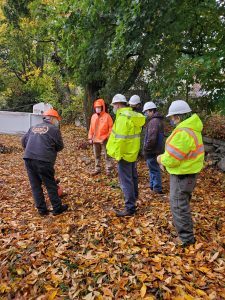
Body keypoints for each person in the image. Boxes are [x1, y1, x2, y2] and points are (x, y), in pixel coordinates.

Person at [157, 100, 204, 247]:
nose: (171, 120)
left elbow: (172, 158)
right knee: (183, 203)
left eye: (172, 117)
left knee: (178, 205)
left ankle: (186, 239)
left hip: (182, 175)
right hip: (189, 173)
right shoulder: (193, 129)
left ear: (178, 116)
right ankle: (186, 234)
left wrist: (160, 159)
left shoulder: (183, 133)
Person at [21, 109, 68, 216]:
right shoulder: (54, 129)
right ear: (52, 118)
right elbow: (60, 146)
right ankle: (57, 208)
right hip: (44, 160)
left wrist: (31, 150)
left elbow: (23, 142)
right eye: (56, 119)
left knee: (35, 185)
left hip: (28, 158)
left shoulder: (33, 127)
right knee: (50, 184)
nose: (57, 121)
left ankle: (42, 210)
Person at [107, 94, 145, 217]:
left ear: (118, 104)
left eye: (113, 105)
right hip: (132, 152)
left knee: (126, 181)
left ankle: (130, 207)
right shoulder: (132, 116)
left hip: (124, 154)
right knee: (133, 176)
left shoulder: (123, 118)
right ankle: (134, 197)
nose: (113, 107)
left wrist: (117, 156)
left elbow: (121, 140)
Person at [143, 101, 164, 194]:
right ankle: (152, 185)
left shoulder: (154, 121)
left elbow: (152, 139)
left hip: (152, 150)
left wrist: (146, 148)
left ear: (151, 111)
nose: (146, 114)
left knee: (154, 169)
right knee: (152, 168)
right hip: (155, 150)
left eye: (147, 112)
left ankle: (157, 188)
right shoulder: (156, 120)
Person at [88, 98, 113, 176]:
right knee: (96, 155)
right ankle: (97, 169)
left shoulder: (107, 116)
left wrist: (107, 137)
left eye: (99, 107)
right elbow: (91, 128)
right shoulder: (93, 116)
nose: (97, 109)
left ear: (102, 107)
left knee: (107, 155)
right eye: (96, 108)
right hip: (95, 139)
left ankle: (109, 170)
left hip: (105, 139)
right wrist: (90, 137)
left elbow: (111, 128)